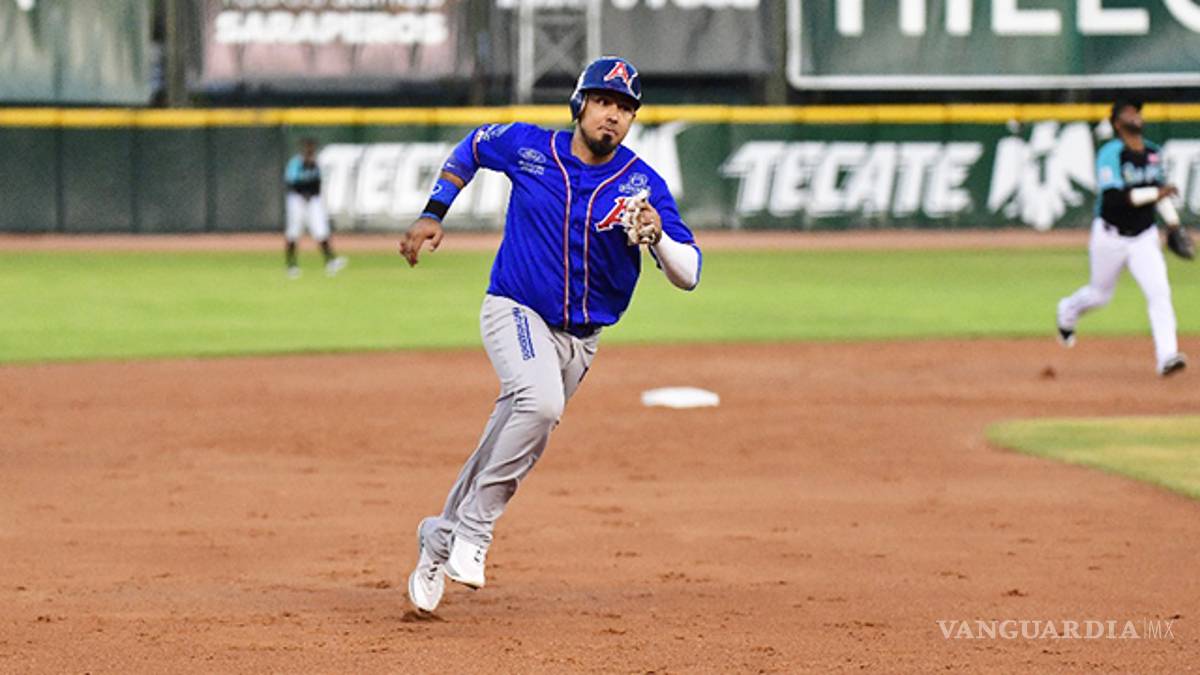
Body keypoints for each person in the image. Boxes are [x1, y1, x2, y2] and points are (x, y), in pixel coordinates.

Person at [398, 56, 702, 613]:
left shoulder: (642, 184)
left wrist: (658, 237)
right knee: (540, 405)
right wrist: (433, 211)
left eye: (625, 108)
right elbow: (473, 146)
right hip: (515, 308)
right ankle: (475, 532)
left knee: (509, 436)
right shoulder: (531, 148)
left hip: (581, 340)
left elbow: (690, 273)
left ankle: (439, 538)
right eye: (604, 101)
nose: (613, 116)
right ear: (580, 104)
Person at [1056, 100, 1187, 377]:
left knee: (1159, 293)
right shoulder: (1111, 153)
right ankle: (1067, 311)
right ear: (1117, 123)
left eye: (1137, 112)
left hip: (1144, 238)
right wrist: (1157, 194)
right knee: (1099, 295)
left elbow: (1161, 192)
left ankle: (1167, 356)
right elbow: (1115, 199)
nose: (1135, 116)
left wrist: (1174, 225)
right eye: (1129, 113)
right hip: (1110, 236)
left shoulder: (1153, 152)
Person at [284, 138, 347, 278]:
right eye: (308, 148)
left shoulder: (316, 164)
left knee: (321, 230)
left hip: (313, 200)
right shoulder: (295, 163)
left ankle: (330, 261)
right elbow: (291, 183)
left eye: (312, 148)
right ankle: (291, 265)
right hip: (296, 200)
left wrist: (310, 195)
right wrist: (304, 194)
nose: (310, 151)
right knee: (293, 231)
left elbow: (317, 184)